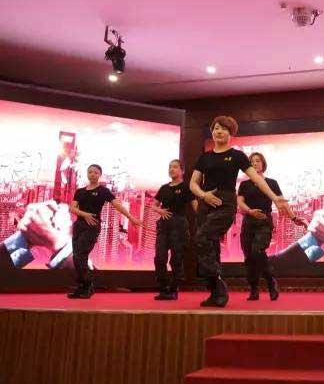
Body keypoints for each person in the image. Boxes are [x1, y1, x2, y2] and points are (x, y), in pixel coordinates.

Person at [190, 116, 288, 308]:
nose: (219, 131)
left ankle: (219, 286)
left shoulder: (237, 156)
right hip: (206, 201)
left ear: (231, 133)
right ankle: (215, 293)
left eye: (223, 129)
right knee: (210, 246)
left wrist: (274, 197)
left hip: (225, 202)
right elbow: (193, 183)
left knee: (201, 237)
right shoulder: (204, 157)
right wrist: (203, 195)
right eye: (216, 128)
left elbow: (257, 179)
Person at [237, 152, 307, 301]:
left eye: (258, 161)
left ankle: (270, 281)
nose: (255, 164)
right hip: (248, 220)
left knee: (258, 251)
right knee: (249, 257)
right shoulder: (244, 184)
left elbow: (281, 201)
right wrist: (249, 211)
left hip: (264, 221)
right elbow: (240, 202)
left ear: (263, 164)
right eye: (252, 162)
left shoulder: (272, 183)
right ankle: (254, 289)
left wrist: (294, 217)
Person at [68, 164, 142, 299]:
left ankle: (88, 284)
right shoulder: (80, 191)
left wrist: (131, 218)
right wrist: (85, 214)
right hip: (79, 225)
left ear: (99, 175)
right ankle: (81, 286)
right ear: (87, 174)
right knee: (76, 257)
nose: (92, 174)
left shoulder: (103, 191)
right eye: (90, 172)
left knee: (81, 256)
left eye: (95, 172)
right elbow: (72, 208)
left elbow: (117, 205)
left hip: (92, 226)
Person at [151, 159, 197, 301]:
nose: (172, 169)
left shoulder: (186, 187)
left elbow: (195, 206)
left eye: (175, 167)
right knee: (159, 258)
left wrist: (203, 221)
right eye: (170, 167)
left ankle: (173, 288)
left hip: (179, 224)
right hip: (164, 225)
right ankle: (163, 288)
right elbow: (154, 205)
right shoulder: (164, 188)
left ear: (182, 171)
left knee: (176, 259)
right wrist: (160, 211)